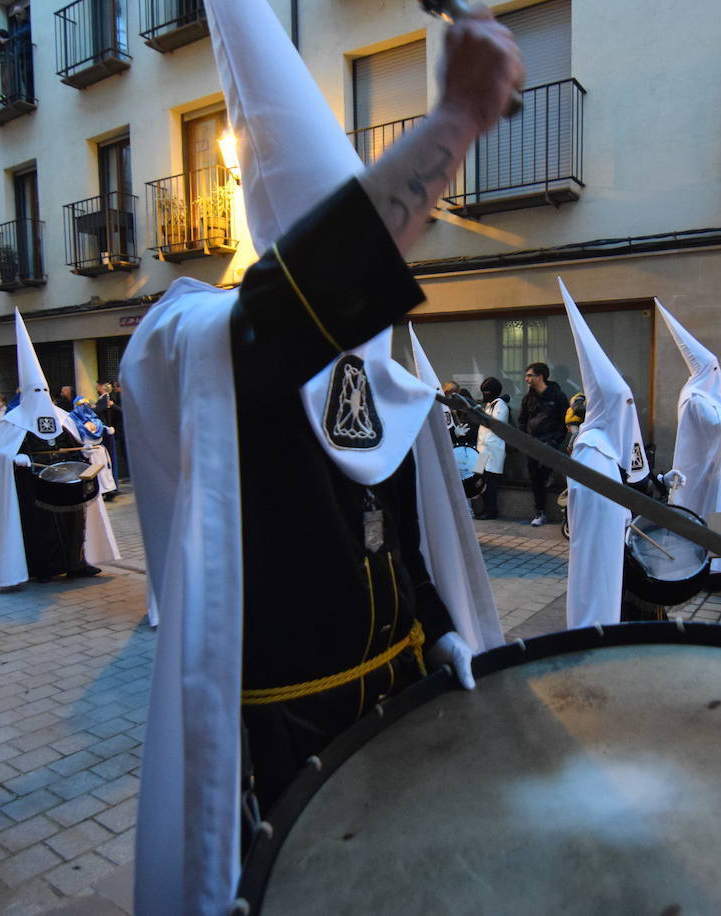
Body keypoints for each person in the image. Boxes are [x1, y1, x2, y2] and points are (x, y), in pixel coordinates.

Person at [120, 2, 519, 910]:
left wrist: (438, 625)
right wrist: (455, 118)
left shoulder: (376, 362)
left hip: (400, 694)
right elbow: (283, 321)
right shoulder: (194, 337)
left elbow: (394, 522)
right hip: (285, 733)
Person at [0, 311, 120, 588]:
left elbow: (71, 443)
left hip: (65, 484)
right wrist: (14, 458)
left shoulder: (61, 416)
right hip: (32, 488)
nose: (41, 398)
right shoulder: (13, 421)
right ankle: (43, 568)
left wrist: (82, 453)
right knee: (40, 529)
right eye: (35, 391)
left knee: (74, 524)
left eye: (43, 391)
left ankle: (76, 562)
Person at [560, 278, 649, 630]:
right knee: (597, 602)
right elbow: (596, 509)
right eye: (625, 405)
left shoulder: (604, 446)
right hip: (599, 551)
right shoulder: (592, 449)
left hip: (612, 544)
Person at [657, 304, 721, 577]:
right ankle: (700, 566)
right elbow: (715, 424)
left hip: (708, 470)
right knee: (702, 513)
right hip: (699, 472)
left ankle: (713, 564)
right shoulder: (695, 398)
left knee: (712, 514)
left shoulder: (700, 395)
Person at [518, 361, 569, 526]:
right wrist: (525, 440)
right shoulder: (528, 398)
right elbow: (522, 421)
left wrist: (555, 441)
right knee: (535, 479)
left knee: (545, 472)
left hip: (550, 445)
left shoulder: (557, 396)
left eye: (529, 375)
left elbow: (565, 422)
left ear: (540, 377)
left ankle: (550, 475)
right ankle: (540, 512)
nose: (526, 379)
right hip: (532, 445)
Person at [71, 396, 119, 502]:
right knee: (94, 473)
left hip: (99, 449)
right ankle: (97, 491)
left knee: (105, 472)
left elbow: (101, 426)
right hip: (87, 451)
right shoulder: (73, 419)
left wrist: (107, 429)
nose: (84, 407)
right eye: (81, 405)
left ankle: (108, 489)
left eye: (86, 405)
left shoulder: (94, 419)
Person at [473, 377, 509, 519]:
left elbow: (496, 424)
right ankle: (484, 509)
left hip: (492, 450)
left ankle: (491, 510)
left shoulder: (499, 405)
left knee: (490, 482)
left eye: (487, 391)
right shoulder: (489, 404)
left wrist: (478, 415)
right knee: (479, 480)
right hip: (482, 450)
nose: (485, 394)